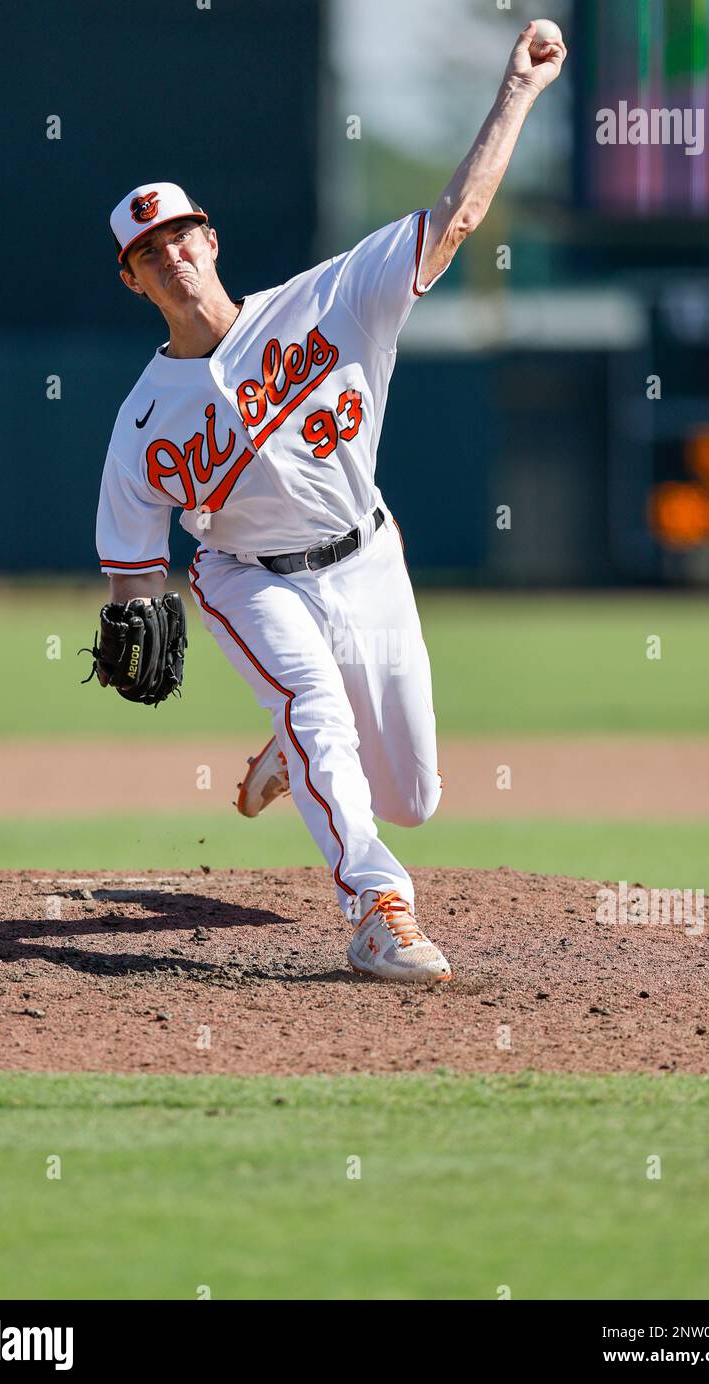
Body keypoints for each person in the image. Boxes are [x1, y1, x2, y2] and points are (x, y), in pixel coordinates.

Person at [95, 22, 567, 982]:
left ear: (210, 239)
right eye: (150, 249)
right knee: (318, 704)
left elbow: (456, 218)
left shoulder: (329, 299)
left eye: (182, 232)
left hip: (368, 558)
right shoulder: (141, 425)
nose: (173, 254)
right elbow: (134, 567)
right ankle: (376, 908)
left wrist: (515, 91)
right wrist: (129, 615)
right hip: (247, 580)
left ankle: (293, 747)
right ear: (134, 279)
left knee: (416, 795)